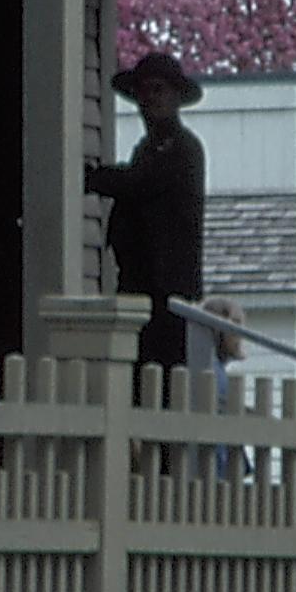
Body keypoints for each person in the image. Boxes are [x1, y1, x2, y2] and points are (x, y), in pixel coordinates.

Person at [83, 50, 206, 377]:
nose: (149, 99)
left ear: (177, 96)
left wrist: (92, 178)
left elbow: (140, 182)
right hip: (139, 287)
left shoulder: (184, 150)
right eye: (144, 91)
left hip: (169, 297)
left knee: (164, 381)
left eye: (158, 90)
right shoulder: (146, 149)